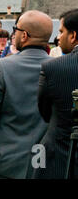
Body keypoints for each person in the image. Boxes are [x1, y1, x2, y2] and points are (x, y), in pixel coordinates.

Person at [0, 10, 53, 179]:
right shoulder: (58, 69)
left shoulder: (2, 67)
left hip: (4, 163)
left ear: (24, 35)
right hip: (44, 164)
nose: (13, 34)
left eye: (15, 29)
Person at [33, 9, 78, 179]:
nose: (58, 37)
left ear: (73, 35)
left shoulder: (52, 68)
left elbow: (44, 111)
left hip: (59, 153)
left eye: (61, 31)